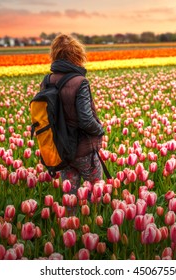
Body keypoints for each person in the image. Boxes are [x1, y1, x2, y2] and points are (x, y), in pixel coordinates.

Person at [41, 33, 104, 213]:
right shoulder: (80, 82)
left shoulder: (46, 82)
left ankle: (71, 229)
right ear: (77, 55)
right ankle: (92, 228)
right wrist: (99, 130)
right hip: (83, 150)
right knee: (96, 191)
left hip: (60, 150)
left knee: (70, 195)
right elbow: (85, 118)